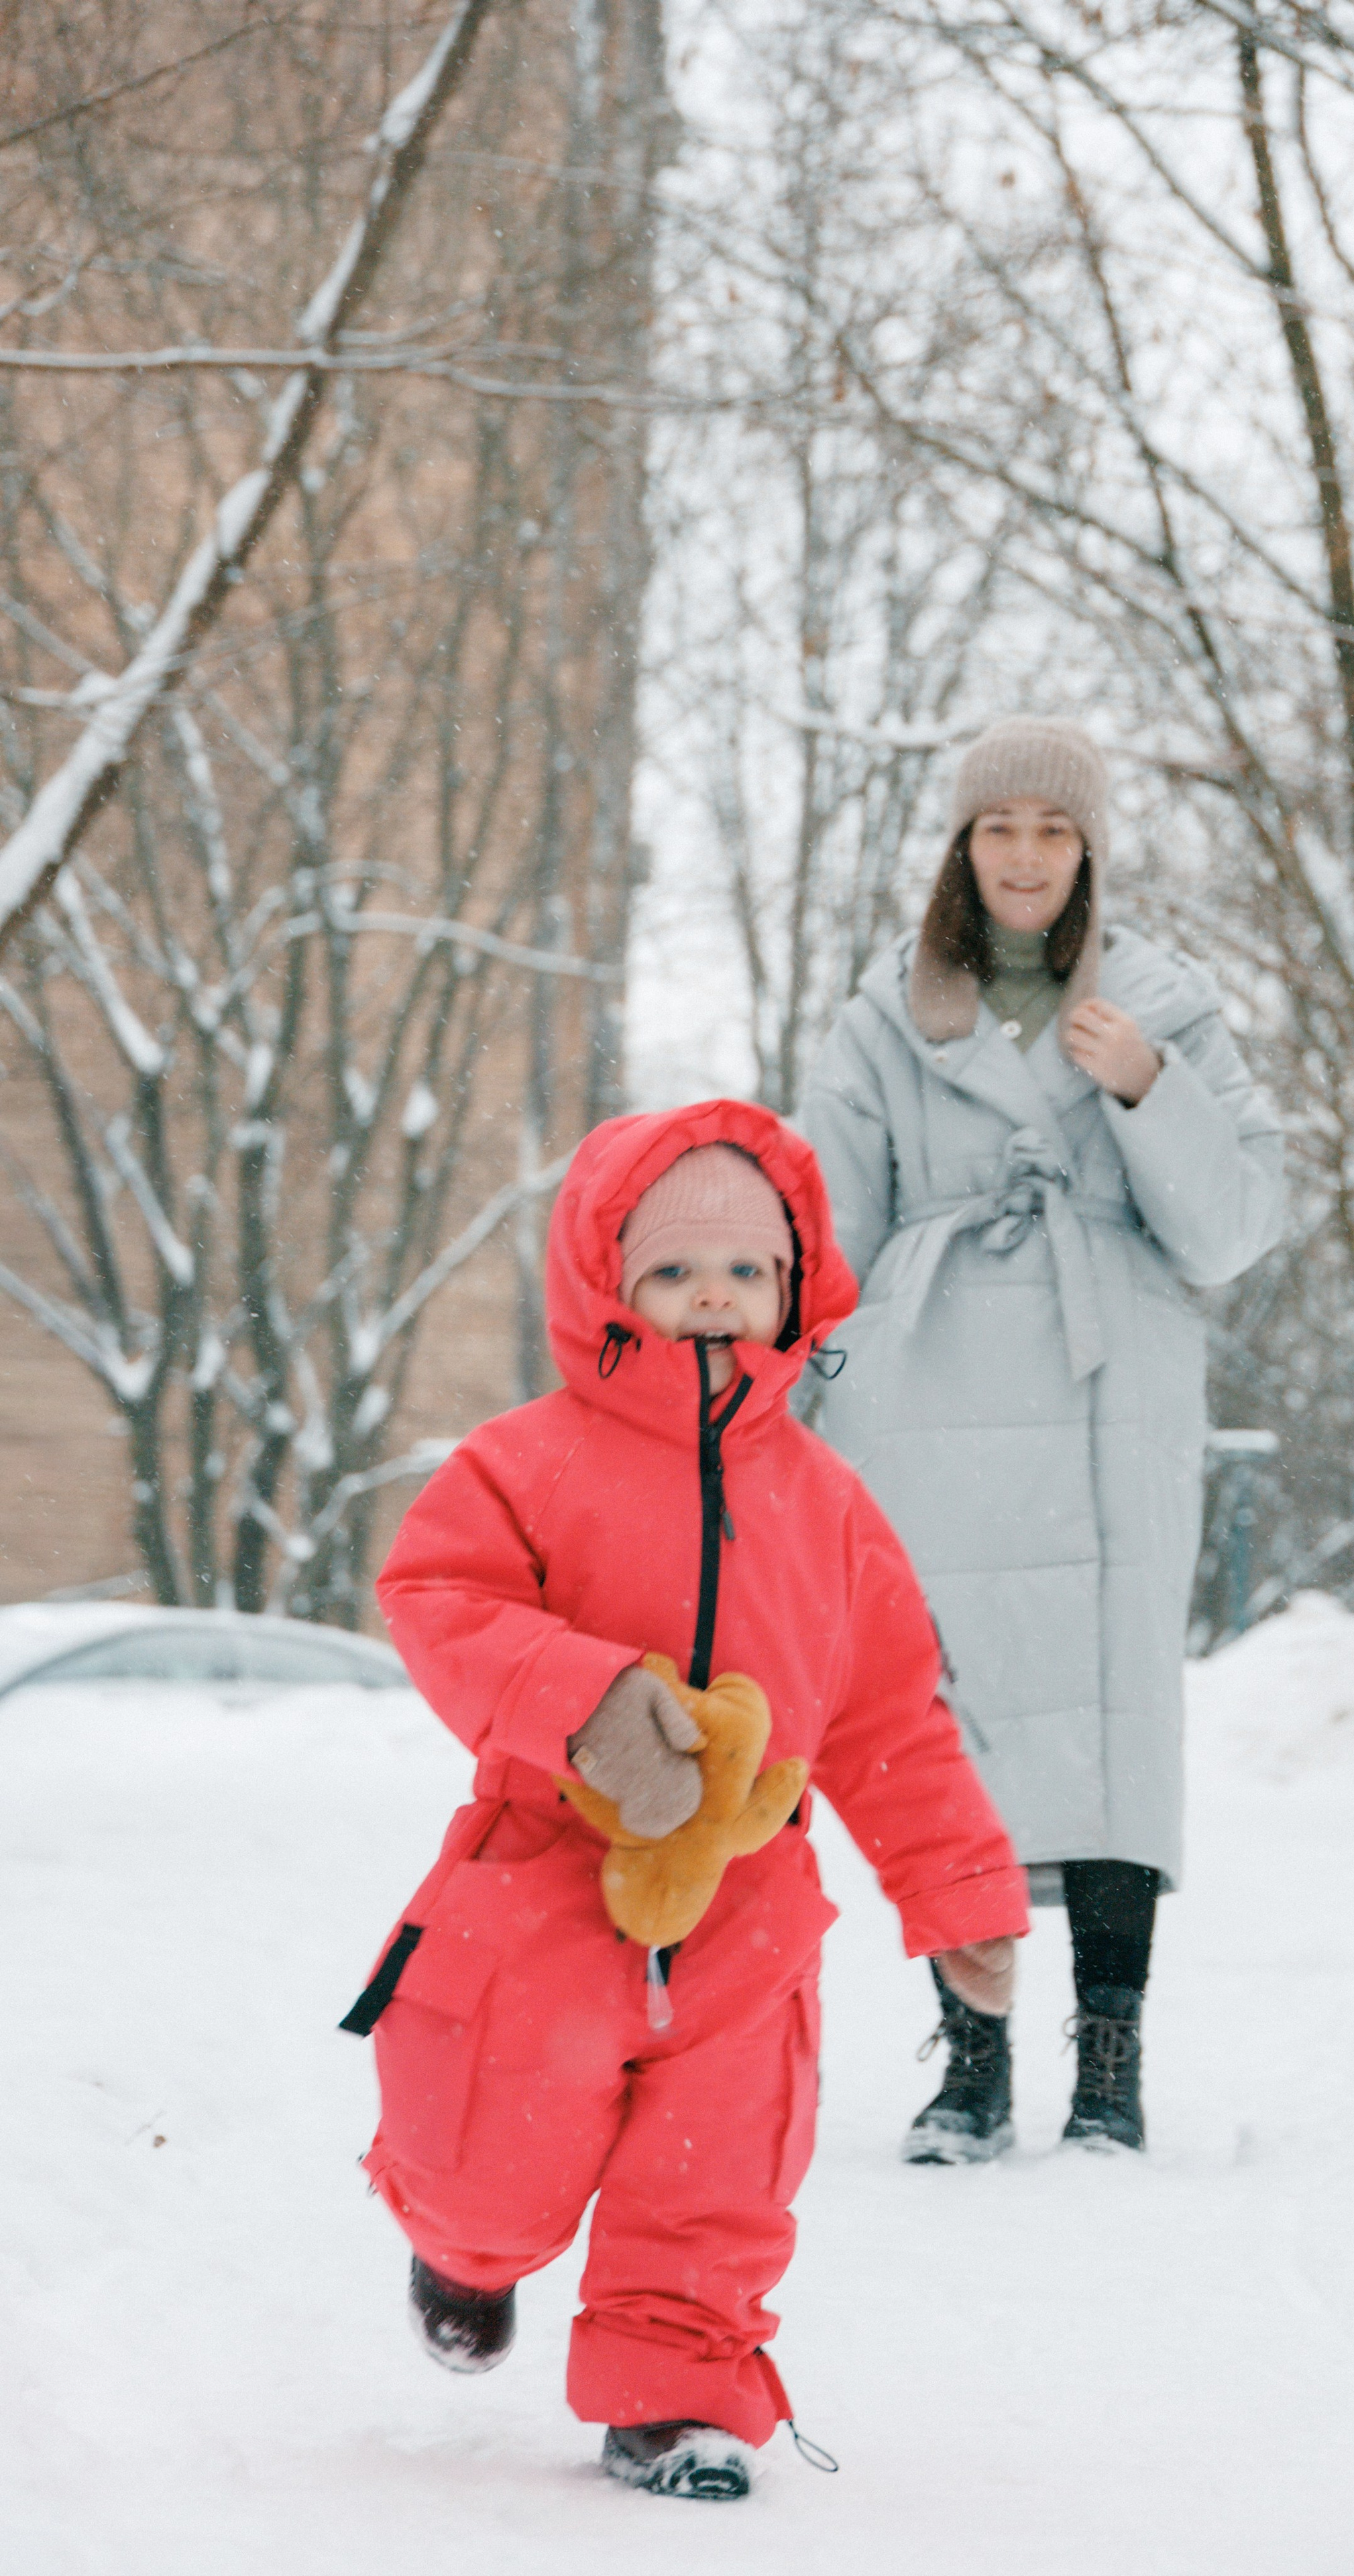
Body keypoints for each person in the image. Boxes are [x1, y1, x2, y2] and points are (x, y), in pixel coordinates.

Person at [341, 1099, 1026, 2504]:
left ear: (792, 1290)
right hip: (543, 1874)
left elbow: (894, 1716)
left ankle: (674, 2396)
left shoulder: (829, 1506)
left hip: (751, 1902)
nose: (710, 1297)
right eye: (670, 1272)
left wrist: (954, 1893)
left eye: (743, 1273)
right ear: (606, 1289)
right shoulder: (521, 1464)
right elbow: (436, 1599)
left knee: (715, 2176)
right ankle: (464, 2251)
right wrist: (582, 1705)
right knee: (487, 2142)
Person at [797, 716, 1284, 2160]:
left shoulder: (1164, 1006)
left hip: (1104, 1390)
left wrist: (1146, 1086)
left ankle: (1110, 2065)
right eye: (997, 826)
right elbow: (826, 1218)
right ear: (961, 846)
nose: (1023, 855)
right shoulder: (882, 1016)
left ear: (1087, 852)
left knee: (1112, 1720)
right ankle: (971, 2062)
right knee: (951, 1724)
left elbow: (1235, 1226)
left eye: (1051, 829)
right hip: (929, 1395)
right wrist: (804, 1376)